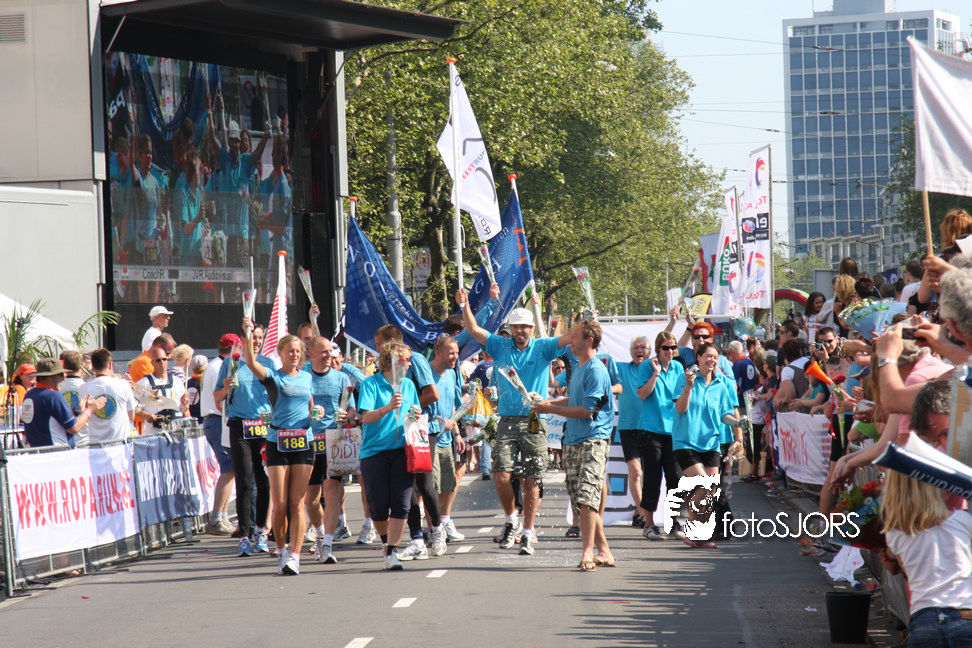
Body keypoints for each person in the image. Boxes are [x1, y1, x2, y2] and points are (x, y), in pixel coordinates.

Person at [457, 291, 571, 555]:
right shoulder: (499, 345)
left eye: (525, 327)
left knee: (531, 480)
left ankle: (529, 532)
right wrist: (464, 304)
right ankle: (512, 520)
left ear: (531, 328)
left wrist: (587, 321)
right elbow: (473, 329)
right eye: (516, 327)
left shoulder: (543, 347)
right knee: (501, 475)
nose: (520, 331)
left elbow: (570, 337)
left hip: (534, 420)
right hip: (507, 420)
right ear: (510, 329)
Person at [533, 320, 615, 571]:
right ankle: (605, 552)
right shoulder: (579, 367)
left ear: (589, 341)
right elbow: (574, 400)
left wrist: (550, 409)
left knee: (588, 498)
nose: (570, 340)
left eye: (575, 336)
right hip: (572, 439)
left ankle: (587, 553)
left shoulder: (596, 370)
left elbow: (586, 410)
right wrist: (548, 403)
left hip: (593, 439)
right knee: (582, 500)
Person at [241, 319, 315, 576]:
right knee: (281, 504)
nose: (295, 354)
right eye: (290, 351)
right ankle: (282, 550)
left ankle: (295, 555)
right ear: (281, 354)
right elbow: (251, 363)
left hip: (303, 441)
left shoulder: (307, 377)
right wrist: (247, 334)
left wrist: (317, 413)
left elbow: (311, 407)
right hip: (277, 442)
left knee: (298, 502)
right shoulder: (273, 376)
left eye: (298, 351)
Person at [881, 470, 972, 648]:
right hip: (965, 615)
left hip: (924, 619)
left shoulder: (895, 533)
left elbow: (909, 574)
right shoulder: (963, 520)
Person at [672, 342, 746, 548]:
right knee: (703, 486)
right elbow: (680, 409)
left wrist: (737, 424)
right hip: (685, 441)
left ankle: (697, 536)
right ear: (698, 358)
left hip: (711, 443)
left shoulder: (721, 385)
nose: (712, 360)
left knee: (708, 492)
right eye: (708, 356)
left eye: (715, 357)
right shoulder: (686, 379)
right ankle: (697, 532)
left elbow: (725, 415)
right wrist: (688, 387)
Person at [358, 341, 421, 570]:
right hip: (374, 452)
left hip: (403, 451)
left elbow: (413, 412)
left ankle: (392, 551)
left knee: (401, 505)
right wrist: (387, 407)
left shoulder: (409, 385)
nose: (409, 364)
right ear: (394, 362)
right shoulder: (371, 384)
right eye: (406, 360)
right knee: (378, 507)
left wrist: (415, 413)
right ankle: (386, 543)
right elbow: (366, 418)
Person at [215, 323, 273, 557]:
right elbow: (218, 396)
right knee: (245, 482)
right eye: (252, 337)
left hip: (264, 426)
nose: (256, 341)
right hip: (240, 426)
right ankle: (245, 536)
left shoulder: (268, 364)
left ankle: (261, 531)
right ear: (243, 339)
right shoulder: (231, 363)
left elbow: (277, 393)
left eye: (259, 337)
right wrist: (225, 387)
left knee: (264, 481)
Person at [305, 335, 356, 565]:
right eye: (324, 351)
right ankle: (319, 534)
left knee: (332, 492)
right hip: (308, 440)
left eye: (331, 351)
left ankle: (327, 544)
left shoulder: (342, 378)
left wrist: (348, 416)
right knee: (310, 499)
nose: (328, 355)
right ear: (311, 353)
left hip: (334, 440)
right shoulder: (303, 376)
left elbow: (351, 409)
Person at [636, 331, 685, 540]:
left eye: (673, 347)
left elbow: (681, 397)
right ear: (658, 349)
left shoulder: (678, 367)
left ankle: (673, 522)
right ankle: (649, 524)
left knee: (675, 477)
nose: (670, 351)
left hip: (674, 429)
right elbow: (642, 394)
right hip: (651, 429)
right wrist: (655, 374)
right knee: (652, 478)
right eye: (666, 348)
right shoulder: (647, 366)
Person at [427, 335, 466, 544]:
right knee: (430, 489)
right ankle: (432, 530)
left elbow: (452, 407)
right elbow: (419, 408)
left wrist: (457, 434)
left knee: (447, 486)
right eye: (451, 353)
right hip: (430, 438)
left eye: (457, 353)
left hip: (446, 440)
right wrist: (441, 423)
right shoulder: (426, 375)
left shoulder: (452, 374)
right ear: (438, 352)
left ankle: (442, 522)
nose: (455, 357)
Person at [200, 334, 237, 536]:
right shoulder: (220, 367)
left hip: (214, 420)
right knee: (229, 468)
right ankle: (217, 518)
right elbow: (220, 399)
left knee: (230, 469)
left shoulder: (215, 365)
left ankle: (221, 517)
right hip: (217, 420)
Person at [22, 359, 105, 447]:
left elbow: (47, 418)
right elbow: (74, 428)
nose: (64, 378)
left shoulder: (29, 394)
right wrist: (89, 411)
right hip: (56, 451)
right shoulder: (53, 396)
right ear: (50, 377)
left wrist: (77, 411)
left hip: (36, 451)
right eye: (61, 374)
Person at [616, 336, 649, 528]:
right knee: (636, 471)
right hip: (628, 427)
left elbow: (669, 344)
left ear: (649, 351)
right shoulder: (621, 368)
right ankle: (643, 513)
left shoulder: (655, 369)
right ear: (630, 352)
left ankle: (638, 511)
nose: (639, 350)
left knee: (649, 475)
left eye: (643, 347)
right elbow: (600, 354)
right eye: (635, 347)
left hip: (651, 428)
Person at [77, 349, 137, 445]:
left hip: (96, 446)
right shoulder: (123, 384)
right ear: (110, 365)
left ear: (93, 366)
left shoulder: (83, 388)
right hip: (120, 445)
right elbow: (131, 417)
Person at [138, 345, 188, 427]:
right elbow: (131, 407)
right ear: (152, 363)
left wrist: (184, 405)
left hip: (176, 430)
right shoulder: (144, 383)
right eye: (158, 360)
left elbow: (184, 409)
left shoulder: (177, 381)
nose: (162, 362)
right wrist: (146, 415)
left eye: (164, 359)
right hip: (154, 430)